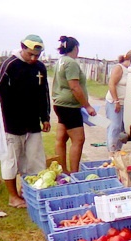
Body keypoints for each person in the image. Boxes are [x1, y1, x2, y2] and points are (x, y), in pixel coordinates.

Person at [0, 34, 51, 208]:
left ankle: (30, 191)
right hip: (11, 122)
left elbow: (43, 94)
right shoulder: (10, 65)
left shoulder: (40, 68)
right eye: (30, 54)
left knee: (34, 158)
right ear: (22, 48)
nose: (33, 58)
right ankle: (13, 196)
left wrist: (45, 117)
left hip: (32, 122)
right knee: (11, 159)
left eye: (37, 56)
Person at [52, 36, 96, 174]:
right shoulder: (71, 63)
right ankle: (75, 173)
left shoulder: (60, 61)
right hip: (70, 106)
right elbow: (75, 87)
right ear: (75, 48)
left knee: (61, 138)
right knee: (78, 139)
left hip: (60, 104)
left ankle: (63, 171)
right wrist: (87, 106)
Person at [105, 49, 131, 154]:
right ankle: (112, 151)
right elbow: (111, 84)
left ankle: (117, 150)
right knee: (115, 127)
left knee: (122, 129)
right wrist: (116, 101)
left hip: (126, 104)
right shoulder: (119, 68)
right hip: (115, 102)